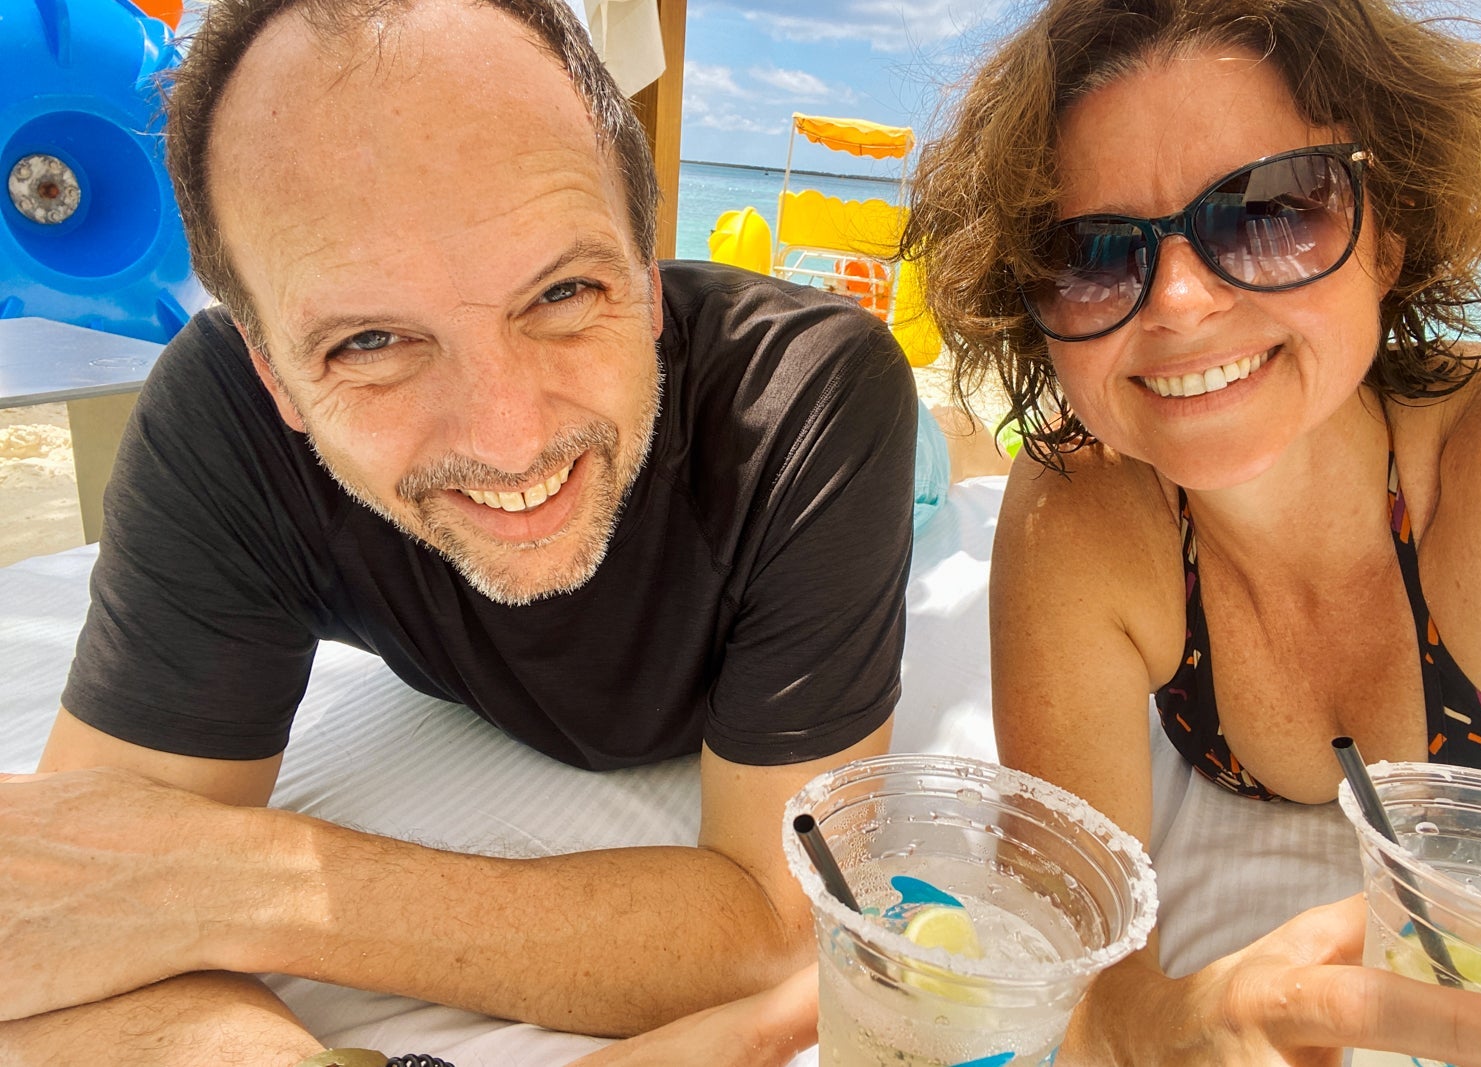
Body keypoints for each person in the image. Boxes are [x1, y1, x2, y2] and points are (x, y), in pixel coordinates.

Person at [0, 0, 918, 1060]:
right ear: (272, 374)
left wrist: (238, 877)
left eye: (564, 289)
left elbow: (777, 921)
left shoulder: (809, 395)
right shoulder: (223, 416)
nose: (509, 434)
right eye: (371, 339)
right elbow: (78, 896)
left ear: (648, 275)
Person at [902, 0, 1481, 1064]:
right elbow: (1083, 978)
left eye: (1270, 209)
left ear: (1388, 232)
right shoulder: (1083, 514)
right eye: (1090, 250)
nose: (1177, 299)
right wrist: (1183, 1022)